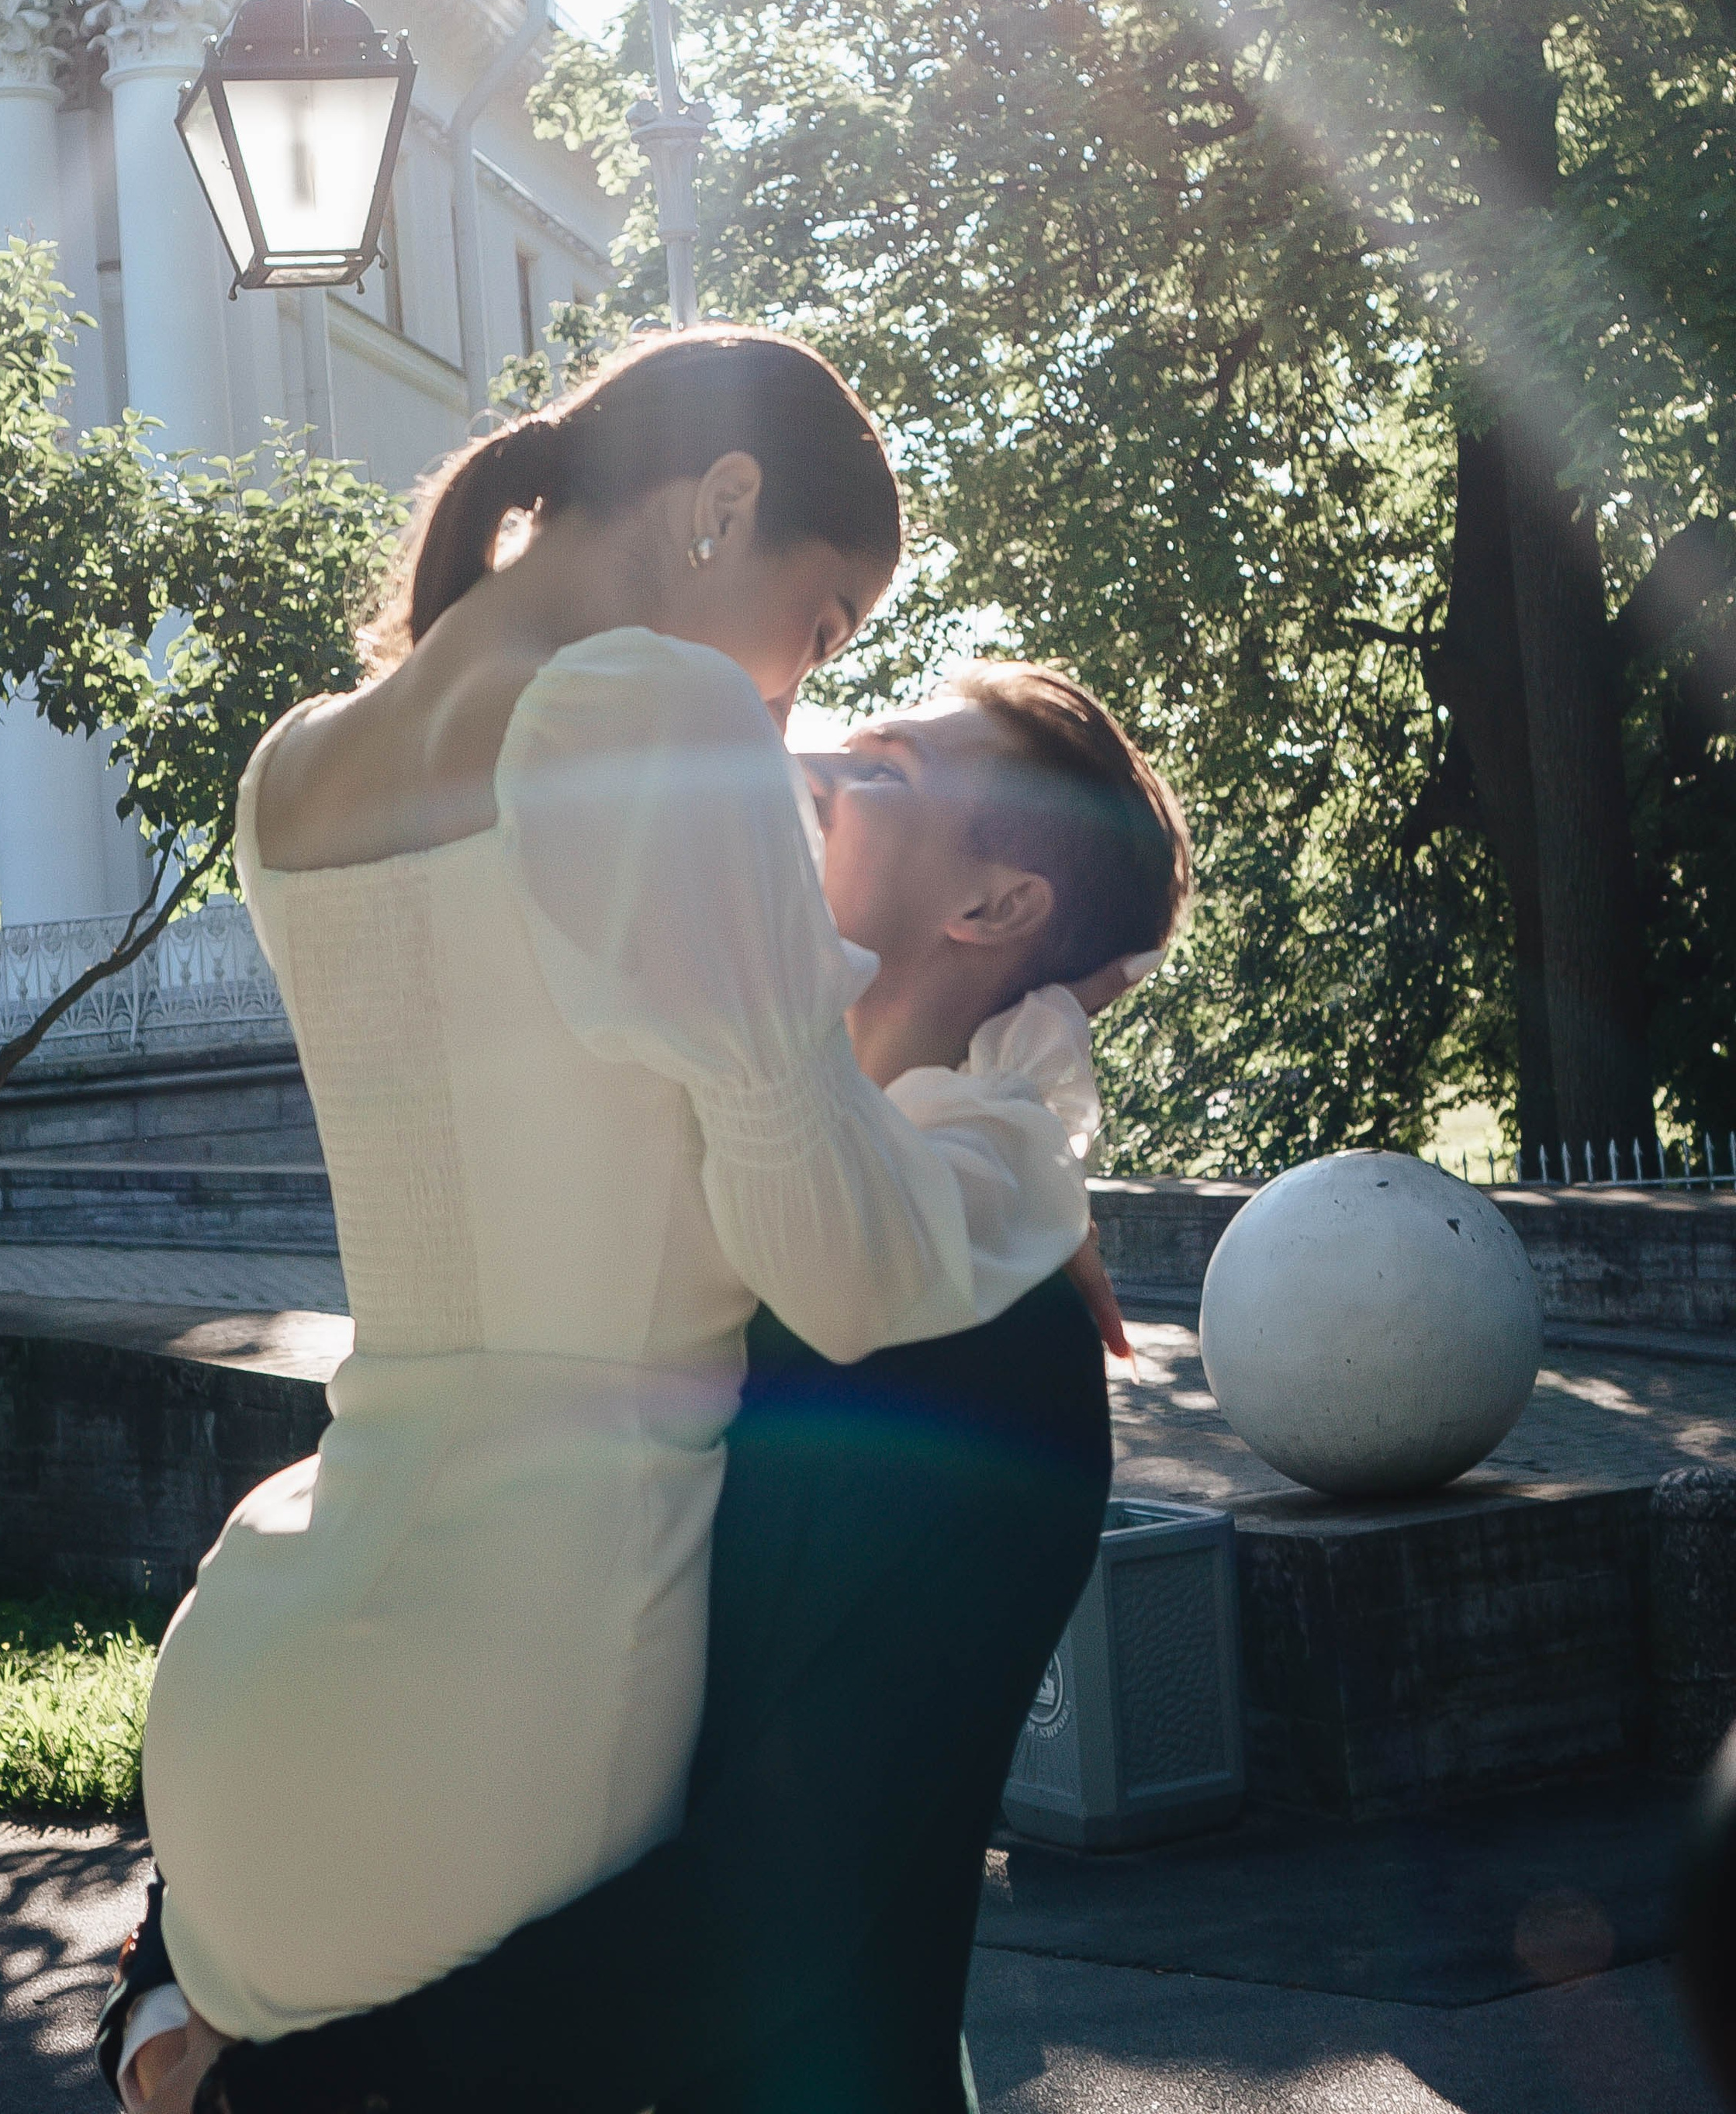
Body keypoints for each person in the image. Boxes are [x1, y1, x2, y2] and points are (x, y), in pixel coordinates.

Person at [127, 330, 1096, 2074]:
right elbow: (835, 1261)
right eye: (819, 631)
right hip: (522, 1676)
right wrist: (1016, 1152)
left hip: (258, 1674)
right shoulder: (649, 714)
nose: (795, 707)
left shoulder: (293, 771)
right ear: (722, 504)